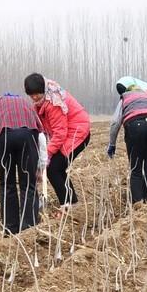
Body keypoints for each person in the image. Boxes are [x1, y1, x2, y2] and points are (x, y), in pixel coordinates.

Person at [0, 93, 48, 235]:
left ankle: (10, 229)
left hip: (3, 138)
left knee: (7, 184)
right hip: (27, 138)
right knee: (28, 184)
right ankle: (28, 230)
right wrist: (40, 167)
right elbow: (41, 136)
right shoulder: (28, 106)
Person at [23, 73, 91, 215]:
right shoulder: (40, 102)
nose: (34, 97)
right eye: (31, 95)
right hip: (67, 132)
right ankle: (71, 203)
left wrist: (46, 154)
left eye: (37, 93)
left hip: (77, 132)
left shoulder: (53, 102)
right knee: (56, 168)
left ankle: (68, 205)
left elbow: (60, 133)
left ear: (43, 89)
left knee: (54, 168)